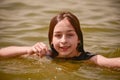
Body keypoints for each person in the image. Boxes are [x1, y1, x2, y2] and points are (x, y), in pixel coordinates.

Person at [0, 11, 120, 69]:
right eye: (58, 35)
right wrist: (29, 49)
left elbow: (112, 62)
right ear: (51, 40)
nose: (63, 40)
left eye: (70, 35)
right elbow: (2, 54)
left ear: (78, 39)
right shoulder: (47, 54)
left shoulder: (90, 59)